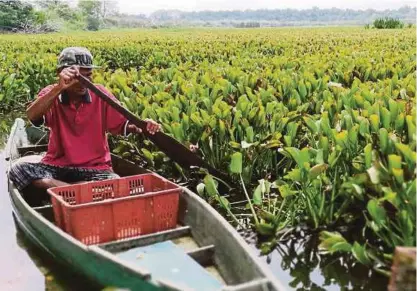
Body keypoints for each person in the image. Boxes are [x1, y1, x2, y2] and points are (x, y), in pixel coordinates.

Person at [9, 47, 161, 192]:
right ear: (62, 74)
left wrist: (142, 125)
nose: (84, 83)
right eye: (78, 77)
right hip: (57, 166)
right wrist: (59, 88)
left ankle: (61, 189)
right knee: (18, 170)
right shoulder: (51, 93)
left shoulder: (100, 93)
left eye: (88, 76)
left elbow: (125, 124)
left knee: (114, 182)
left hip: (94, 168)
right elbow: (32, 115)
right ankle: (76, 189)